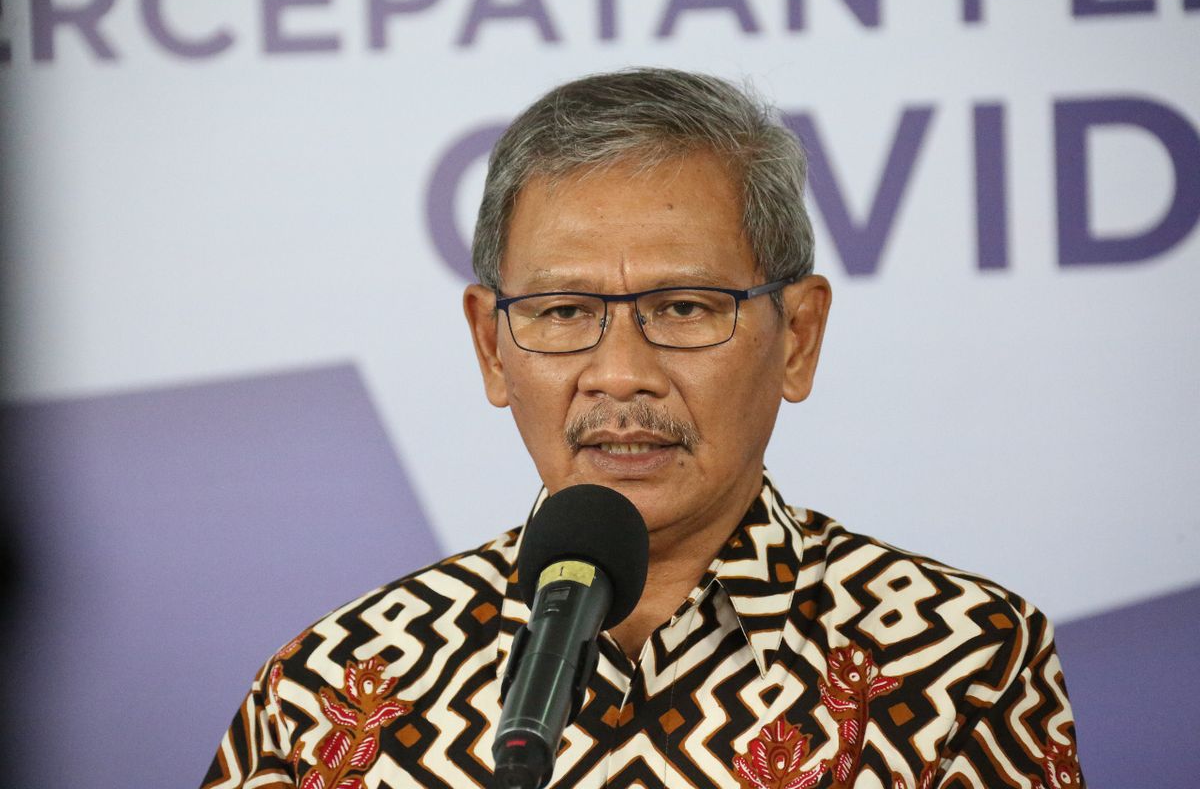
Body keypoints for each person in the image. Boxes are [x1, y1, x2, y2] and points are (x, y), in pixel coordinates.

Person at [201, 68, 1083, 789]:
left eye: (686, 305)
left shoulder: (963, 659)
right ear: (491, 345)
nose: (620, 372)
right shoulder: (332, 688)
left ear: (798, 338)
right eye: (561, 310)